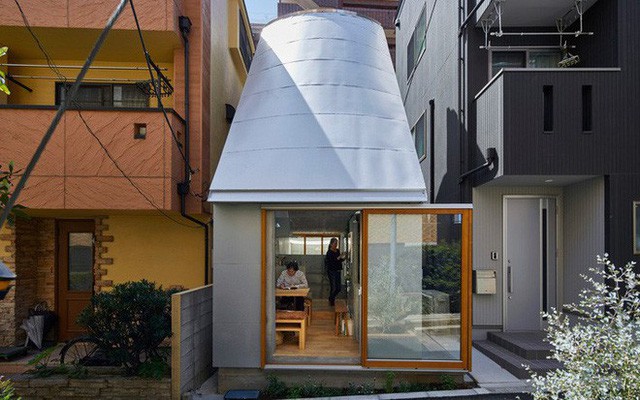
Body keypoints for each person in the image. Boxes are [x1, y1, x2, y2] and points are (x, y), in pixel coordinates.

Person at [325, 237, 345, 306]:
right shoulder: (329, 252)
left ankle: (331, 297)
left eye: (337, 243)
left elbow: (338, 261)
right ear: (331, 244)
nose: (336, 245)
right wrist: (339, 257)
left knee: (338, 288)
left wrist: (343, 258)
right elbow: (332, 262)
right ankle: (332, 300)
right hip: (332, 271)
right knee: (333, 287)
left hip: (338, 271)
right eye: (335, 243)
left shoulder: (337, 250)